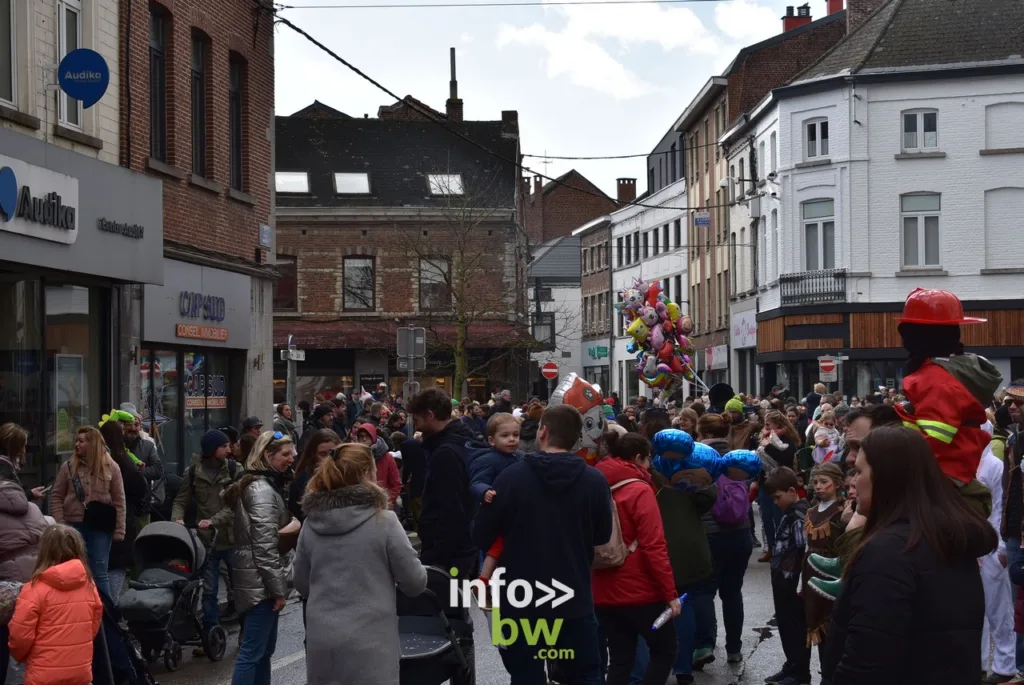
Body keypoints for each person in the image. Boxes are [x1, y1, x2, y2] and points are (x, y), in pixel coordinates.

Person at [822, 427, 998, 685]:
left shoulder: (888, 553)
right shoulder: (944, 538)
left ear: (887, 477)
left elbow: (867, 660)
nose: (853, 481)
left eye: (859, 471)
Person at [473, 404, 612, 684]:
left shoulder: (511, 478)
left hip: (522, 598)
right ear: (575, 439)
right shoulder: (595, 481)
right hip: (574, 596)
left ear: (543, 431)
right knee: (584, 674)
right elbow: (601, 536)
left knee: (526, 674)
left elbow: (481, 533)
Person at [292, 444, 427, 685]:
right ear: (368, 474)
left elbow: (301, 583)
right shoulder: (384, 521)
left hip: (322, 637)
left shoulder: (311, 524)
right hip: (371, 639)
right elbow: (414, 582)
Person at [593, 431, 679, 685]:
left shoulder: (597, 482)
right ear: (638, 458)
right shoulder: (639, 490)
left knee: (620, 658)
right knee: (664, 650)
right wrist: (670, 594)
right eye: (648, 458)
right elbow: (654, 545)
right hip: (641, 588)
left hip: (603, 586)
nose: (650, 464)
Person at [225, 431, 296, 685]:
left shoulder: (263, 486)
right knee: (252, 654)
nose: (292, 459)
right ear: (268, 456)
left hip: (258, 582)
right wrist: (277, 591)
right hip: (261, 586)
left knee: (262, 652)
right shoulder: (262, 490)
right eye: (285, 454)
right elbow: (265, 547)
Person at [8, 525, 103, 685]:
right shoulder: (89, 586)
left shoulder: (34, 589)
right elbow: (93, 624)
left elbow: (19, 636)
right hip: (80, 672)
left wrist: (22, 656)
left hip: (42, 674)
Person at [171, 429, 239, 654]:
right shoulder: (192, 473)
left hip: (232, 538)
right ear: (212, 450)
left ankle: (247, 631)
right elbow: (180, 500)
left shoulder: (233, 470)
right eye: (224, 446)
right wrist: (177, 519)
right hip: (207, 542)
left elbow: (235, 506)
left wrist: (213, 521)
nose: (229, 450)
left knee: (240, 588)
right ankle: (211, 637)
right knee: (208, 591)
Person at [693, 413, 752, 666]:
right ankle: (734, 648)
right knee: (732, 592)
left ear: (703, 433)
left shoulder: (696, 458)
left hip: (709, 533)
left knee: (705, 590)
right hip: (740, 532)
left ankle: (705, 644)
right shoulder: (738, 456)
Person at [407, 388, 477, 579]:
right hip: (460, 548)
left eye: (417, 419)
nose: (415, 425)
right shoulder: (460, 440)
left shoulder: (445, 453)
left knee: (449, 603)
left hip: (449, 555)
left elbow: (449, 507)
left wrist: (438, 553)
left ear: (430, 416)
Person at [50, 426, 126, 597]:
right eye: (76, 440)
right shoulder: (68, 467)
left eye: (81, 441)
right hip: (72, 527)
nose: (76, 444)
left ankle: (106, 618)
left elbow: (119, 501)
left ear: (93, 444)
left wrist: (119, 531)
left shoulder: (111, 467)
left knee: (99, 572)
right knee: (72, 572)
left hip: (100, 527)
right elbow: (56, 497)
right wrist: (61, 524)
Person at [466, 412, 524, 600]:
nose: (512, 440)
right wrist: (485, 492)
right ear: (492, 440)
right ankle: (484, 582)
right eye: (505, 436)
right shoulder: (487, 460)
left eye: (515, 435)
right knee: (492, 550)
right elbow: (476, 482)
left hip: (517, 518)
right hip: (495, 519)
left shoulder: (522, 457)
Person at [763, 467, 811, 685]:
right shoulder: (790, 513)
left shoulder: (798, 516)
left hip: (792, 582)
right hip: (783, 580)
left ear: (792, 490)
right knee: (785, 626)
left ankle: (799, 673)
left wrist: (799, 583)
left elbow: (804, 549)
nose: (775, 502)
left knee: (794, 628)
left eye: (777, 497)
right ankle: (792, 664)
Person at [100, 419, 149, 604]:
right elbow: (138, 486)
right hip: (119, 518)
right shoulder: (120, 460)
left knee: (105, 565)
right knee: (115, 566)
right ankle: (110, 607)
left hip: (105, 518)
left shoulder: (112, 459)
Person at [801, 462, 845, 671]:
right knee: (815, 618)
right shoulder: (810, 511)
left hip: (833, 570)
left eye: (824, 482)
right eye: (815, 482)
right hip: (810, 568)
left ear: (837, 484)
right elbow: (806, 547)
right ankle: (824, 669)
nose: (818, 486)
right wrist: (801, 581)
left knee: (833, 620)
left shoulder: (842, 511)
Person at [755, 411, 800, 563]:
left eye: (768, 425)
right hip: (764, 482)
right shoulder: (765, 438)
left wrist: (768, 447)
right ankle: (771, 548)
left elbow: (785, 458)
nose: (765, 428)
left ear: (778, 426)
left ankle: (783, 548)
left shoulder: (787, 440)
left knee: (778, 516)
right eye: (765, 424)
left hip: (780, 483)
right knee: (766, 517)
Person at [288, 429, 341, 522]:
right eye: (323, 454)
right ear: (313, 454)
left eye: (331, 453)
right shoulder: (301, 482)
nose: (327, 459)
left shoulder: (347, 477)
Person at [120, 410, 164, 508]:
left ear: (140, 427)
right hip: (119, 505)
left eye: (136, 425)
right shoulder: (114, 447)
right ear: (122, 426)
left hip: (141, 506)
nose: (133, 428)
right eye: (129, 424)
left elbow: (158, 470)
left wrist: (135, 473)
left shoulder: (148, 446)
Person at [355, 424, 402, 508]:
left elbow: (396, 483)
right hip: (361, 506)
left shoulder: (387, 457)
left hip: (383, 505)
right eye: (361, 436)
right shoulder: (354, 457)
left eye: (367, 436)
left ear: (373, 437)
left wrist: (388, 502)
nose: (364, 439)